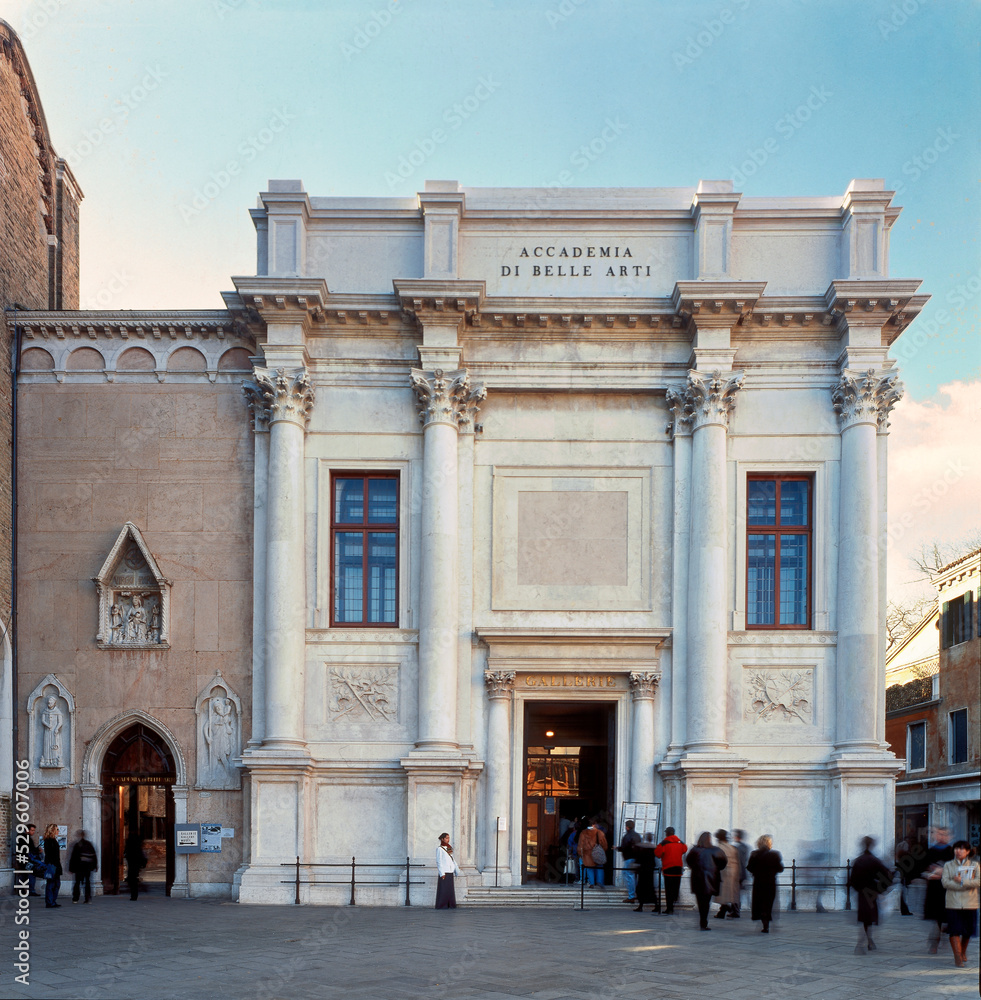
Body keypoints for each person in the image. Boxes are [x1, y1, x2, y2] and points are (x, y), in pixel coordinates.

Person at [847, 836, 891, 954]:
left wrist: (859, 889)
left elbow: (852, 880)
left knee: (864, 918)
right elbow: (886, 876)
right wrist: (880, 890)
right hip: (872, 893)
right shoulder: (875, 860)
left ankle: (866, 941)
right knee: (869, 918)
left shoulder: (859, 861)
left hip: (862, 893)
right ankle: (865, 942)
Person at [941, 840, 980, 967]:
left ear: (968, 851)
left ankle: (963, 952)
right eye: (956, 849)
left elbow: (978, 882)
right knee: (954, 930)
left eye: (962, 849)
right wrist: (961, 885)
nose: (958, 851)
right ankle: (957, 957)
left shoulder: (975, 865)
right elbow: (945, 883)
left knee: (967, 931)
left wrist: (962, 881)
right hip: (953, 902)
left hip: (970, 903)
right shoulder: (948, 865)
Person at [686, 831, 727, 930]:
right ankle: (704, 921)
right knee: (706, 901)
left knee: (701, 901)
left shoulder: (694, 850)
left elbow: (688, 861)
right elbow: (723, 863)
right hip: (711, 879)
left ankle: (702, 921)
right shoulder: (716, 850)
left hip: (697, 879)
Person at [923, 826, 954, 953]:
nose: (941, 837)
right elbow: (923, 867)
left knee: (947, 916)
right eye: (939, 834)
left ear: (949, 837)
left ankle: (943, 937)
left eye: (944, 834)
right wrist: (929, 872)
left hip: (948, 889)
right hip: (934, 889)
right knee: (936, 917)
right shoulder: (930, 851)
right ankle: (934, 942)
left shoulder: (952, 852)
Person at [746, 833, 784, 933]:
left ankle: (764, 921)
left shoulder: (754, 854)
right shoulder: (774, 854)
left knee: (760, 901)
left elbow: (750, 867)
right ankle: (766, 919)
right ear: (768, 843)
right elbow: (780, 868)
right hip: (770, 882)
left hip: (758, 882)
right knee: (768, 902)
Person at [655, 826, 687, 914]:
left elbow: (657, 853)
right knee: (675, 888)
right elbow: (685, 849)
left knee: (668, 889)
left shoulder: (664, 843)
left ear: (667, 833)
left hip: (668, 868)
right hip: (678, 868)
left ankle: (670, 908)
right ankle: (673, 904)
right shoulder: (680, 842)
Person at [714, 829, 740, 919]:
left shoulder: (719, 847)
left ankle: (726, 908)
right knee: (727, 894)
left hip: (723, 872)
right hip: (733, 872)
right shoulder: (731, 847)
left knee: (722, 894)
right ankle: (722, 912)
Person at [68, 829, 98, 904]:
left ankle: (75, 898)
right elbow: (94, 856)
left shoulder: (77, 845)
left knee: (77, 882)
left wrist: (71, 868)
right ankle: (88, 898)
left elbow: (73, 857)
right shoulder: (89, 844)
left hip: (79, 867)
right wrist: (95, 866)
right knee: (87, 882)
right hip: (87, 867)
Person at [578, 817, 608, 888]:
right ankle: (600, 882)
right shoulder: (599, 833)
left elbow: (580, 845)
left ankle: (591, 883)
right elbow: (604, 844)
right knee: (599, 867)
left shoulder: (583, 833)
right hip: (597, 853)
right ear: (594, 824)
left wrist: (580, 853)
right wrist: (602, 851)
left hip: (587, 854)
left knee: (589, 868)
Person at [632, 831, 658, 912]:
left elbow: (638, 858)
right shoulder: (654, 847)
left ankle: (641, 905)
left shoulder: (641, 847)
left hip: (642, 870)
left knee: (641, 888)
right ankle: (656, 905)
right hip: (650, 871)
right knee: (650, 888)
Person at [435, 832, 460, 909]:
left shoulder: (449, 848)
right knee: (443, 889)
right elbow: (439, 861)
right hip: (444, 872)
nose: (448, 839)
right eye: (446, 838)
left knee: (450, 890)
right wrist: (441, 872)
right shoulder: (439, 849)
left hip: (450, 871)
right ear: (442, 839)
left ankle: (450, 904)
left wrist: (456, 869)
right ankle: (442, 905)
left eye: (448, 838)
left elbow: (452, 859)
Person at [618, 819, 641, 903]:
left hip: (629, 858)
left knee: (628, 876)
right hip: (636, 858)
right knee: (632, 876)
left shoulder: (627, 836)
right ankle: (634, 894)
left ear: (627, 827)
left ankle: (631, 896)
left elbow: (624, 847)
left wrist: (618, 848)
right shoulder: (638, 836)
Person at [42, 823, 63, 908]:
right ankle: (50, 902)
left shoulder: (53, 840)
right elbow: (50, 855)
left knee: (56, 884)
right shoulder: (49, 841)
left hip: (55, 865)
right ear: (53, 830)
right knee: (51, 884)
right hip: (52, 865)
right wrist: (54, 865)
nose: (58, 831)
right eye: (57, 829)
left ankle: (52, 901)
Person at [732, 829, 750, 918]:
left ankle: (736, 910)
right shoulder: (746, 847)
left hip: (737, 872)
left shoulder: (736, 848)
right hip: (743, 872)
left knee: (735, 893)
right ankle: (736, 909)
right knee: (738, 892)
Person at [124, 833, 146, 901]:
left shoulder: (130, 847)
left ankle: (134, 895)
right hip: (136, 864)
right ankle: (134, 894)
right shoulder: (138, 847)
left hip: (132, 864)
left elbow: (126, 853)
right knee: (133, 879)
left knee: (132, 879)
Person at [24, 823, 42, 896]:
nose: (33, 832)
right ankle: (31, 891)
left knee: (28, 875)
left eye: (34, 830)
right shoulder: (27, 838)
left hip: (26, 859)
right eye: (32, 830)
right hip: (28, 860)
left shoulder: (25, 838)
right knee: (31, 875)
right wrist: (38, 850)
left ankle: (27, 890)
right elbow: (30, 850)